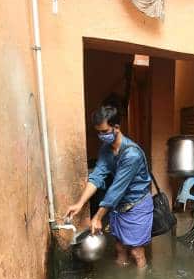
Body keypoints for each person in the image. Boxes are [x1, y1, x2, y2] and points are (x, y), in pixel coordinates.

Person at [65, 105, 153, 268]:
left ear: (116, 127)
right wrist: (80, 203)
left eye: (104, 132)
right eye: (98, 132)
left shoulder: (132, 154)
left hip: (137, 205)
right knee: (119, 248)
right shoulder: (106, 149)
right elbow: (97, 176)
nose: (101, 136)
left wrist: (98, 217)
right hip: (118, 206)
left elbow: (116, 188)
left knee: (136, 252)